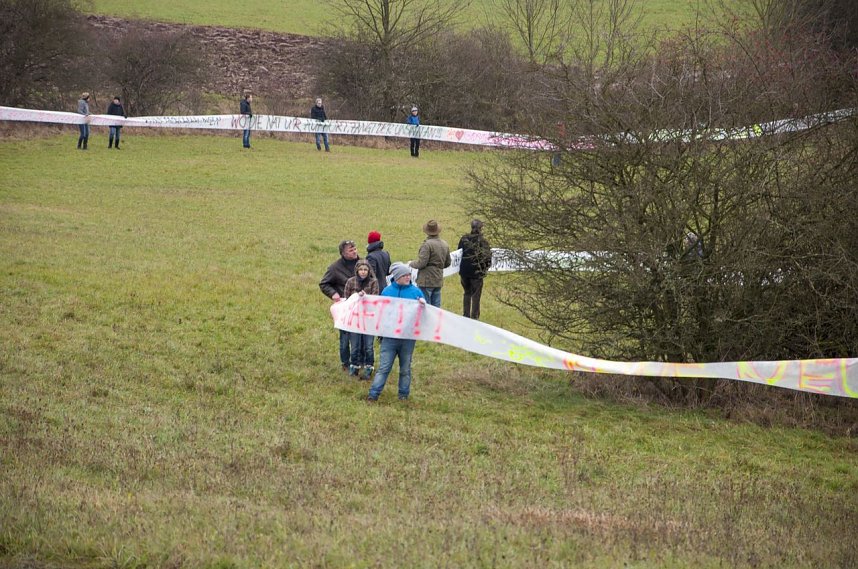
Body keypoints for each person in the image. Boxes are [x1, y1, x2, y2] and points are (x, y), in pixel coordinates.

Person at [367, 263, 426, 402]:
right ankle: (373, 394)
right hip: (389, 337)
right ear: (397, 277)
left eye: (408, 275)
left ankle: (403, 395)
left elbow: (424, 315)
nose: (408, 277)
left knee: (405, 369)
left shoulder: (416, 292)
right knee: (384, 368)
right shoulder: (387, 291)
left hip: (407, 338)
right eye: (404, 275)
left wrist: (423, 305)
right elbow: (380, 311)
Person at [320, 239, 360, 371]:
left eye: (355, 249)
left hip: (360, 307)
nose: (354, 252)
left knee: (360, 336)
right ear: (343, 253)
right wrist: (333, 294)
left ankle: (359, 362)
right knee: (345, 337)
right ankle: (345, 362)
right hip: (345, 308)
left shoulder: (363, 264)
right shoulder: (334, 268)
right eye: (351, 250)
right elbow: (324, 283)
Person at [343, 259, 379, 379]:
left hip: (368, 319)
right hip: (355, 319)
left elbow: (375, 299)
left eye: (365, 270)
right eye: (361, 270)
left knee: (368, 345)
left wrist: (366, 297)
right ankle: (354, 365)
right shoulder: (350, 282)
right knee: (355, 345)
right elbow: (347, 299)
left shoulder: (374, 282)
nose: (363, 272)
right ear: (357, 270)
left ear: (369, 271)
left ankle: (369, 366)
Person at [408, 219, 451, 308]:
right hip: (438, 279)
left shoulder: (427, 245)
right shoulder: (445, 244)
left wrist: (411, 263)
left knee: (425, 306)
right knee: (436, 307)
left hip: (426, 280)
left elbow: (421, 263)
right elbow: (448, 263)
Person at [458, 219, 493, 320]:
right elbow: (488, 258)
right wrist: (484, 269)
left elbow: (459, 252)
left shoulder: (464, 239)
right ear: (481, 228)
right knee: (476, 296)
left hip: (464, 272)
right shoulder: (483, 242)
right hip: (477, 273)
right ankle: (474, 317)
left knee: (467, 293)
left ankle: (465, 315)